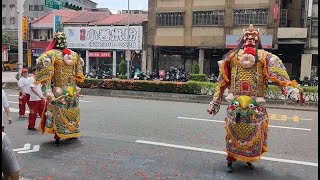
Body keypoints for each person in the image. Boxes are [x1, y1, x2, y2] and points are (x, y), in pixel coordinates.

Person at [207, 24, 303, 173]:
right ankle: (231, 159)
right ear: (243, 39)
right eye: (247, 36)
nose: (250, 38)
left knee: (254, 133)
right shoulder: (232, 57)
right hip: (235, 105)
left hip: (255, 106)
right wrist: (215, 102)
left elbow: (281, 78)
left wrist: (292, 92)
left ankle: (248, 160)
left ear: (258, 39)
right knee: (234, 134)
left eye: (253, 37)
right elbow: (221, 82)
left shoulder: (266, 57)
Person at [34, 32, 85, 146]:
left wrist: (47, 90)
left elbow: (45, 78)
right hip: (68, 90)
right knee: (66, 110)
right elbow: (47, 77)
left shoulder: (51, 55)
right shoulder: (73, 55)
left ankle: (66, 134)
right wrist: (47, 91)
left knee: (68, 110)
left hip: (62, 90)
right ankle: (66, 134)